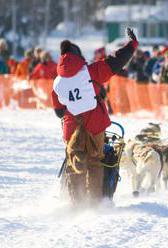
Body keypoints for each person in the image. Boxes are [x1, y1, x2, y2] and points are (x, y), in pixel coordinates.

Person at [51, 28, 138, 206]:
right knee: (95, 162)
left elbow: (59, 111)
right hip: (94, 125)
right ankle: (95, 203)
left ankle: (75, 203)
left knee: (74, 163)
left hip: (71, 128)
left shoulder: (57, 82)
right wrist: (131, 45)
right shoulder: (90, 72)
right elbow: (115, 62)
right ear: (78, 57)